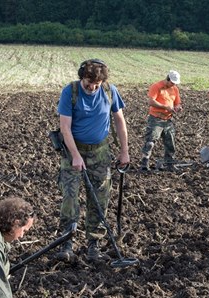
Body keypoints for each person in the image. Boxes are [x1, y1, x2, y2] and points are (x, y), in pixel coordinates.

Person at [55, 59, 130, 262]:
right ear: (82, 77)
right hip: (74, 151)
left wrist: (124, 151)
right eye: (89, 81)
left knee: (99, 198)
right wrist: (76, 155)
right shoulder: (70, 92)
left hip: (100, 153)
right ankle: (67, 242)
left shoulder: (108, 91)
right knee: (70, 197)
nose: (93, 86)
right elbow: (65, 127)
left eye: (97, 83)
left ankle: (93, 246)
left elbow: (120, 121)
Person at [140, 70, 183, 171]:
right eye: (172, 82)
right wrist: (165, 107)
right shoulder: (156, 86)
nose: (173, 85)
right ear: (167, 79)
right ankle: (144, 163)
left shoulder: (175, 89)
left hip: (168, 119)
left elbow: (177, 103)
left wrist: (178, 107)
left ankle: (169, 163)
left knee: (170, 142)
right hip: (156, 119)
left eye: (175, 83)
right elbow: (151, 101)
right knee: (150, 141)